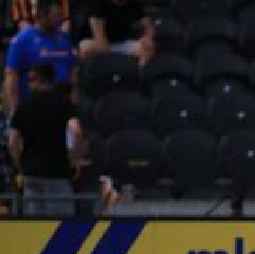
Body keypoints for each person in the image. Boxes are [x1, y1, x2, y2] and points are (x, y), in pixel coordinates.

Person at [8, 63, 83, 216]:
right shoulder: (64, 103)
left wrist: (20, 164)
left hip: (32, 174)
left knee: (34, 227)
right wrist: (74, 160)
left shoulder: (24, 106)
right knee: (62, 226)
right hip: (58, 172)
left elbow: (13, 141)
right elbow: (76, 131)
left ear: (35, 79)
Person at [4, 0, 75, 116]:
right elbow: (11, 77)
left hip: (62, 108)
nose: (60, 19)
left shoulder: (65, 39)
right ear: (42, 15)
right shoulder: (22, 40)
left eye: (60, 15)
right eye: (56, 15)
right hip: (33, 108)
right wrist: (14, 112)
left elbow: (72, 73)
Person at [78, 0, 154, 65]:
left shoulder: (133, 3)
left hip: (119, 42)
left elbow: (148, 26)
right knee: (86, 48)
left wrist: (147, 38)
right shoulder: (98, 4)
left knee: (148, 48)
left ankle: (136, 74)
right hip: (97, 43)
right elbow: (101, 41)